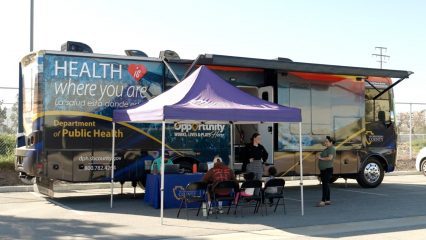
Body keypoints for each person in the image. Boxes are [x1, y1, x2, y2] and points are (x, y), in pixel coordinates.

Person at [317, 136, 336, 207]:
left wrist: (320, 158)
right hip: (324, 170)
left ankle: (323, 201)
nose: (325, 143)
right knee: (326, 185)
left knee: (325, 185)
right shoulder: (327, 149)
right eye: (325, 141)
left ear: (331, 142)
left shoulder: (331, 149)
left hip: (327, 169)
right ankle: (328, 200)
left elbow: (330, 158)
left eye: (327, 141)